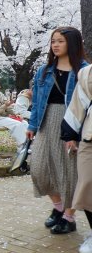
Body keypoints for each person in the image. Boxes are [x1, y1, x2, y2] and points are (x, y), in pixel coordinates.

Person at [27, 26, 88, 235]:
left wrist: (76, 133)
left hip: (72, 122)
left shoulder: (84, 70)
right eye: (53, 41)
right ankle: (59, 206)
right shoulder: (44, 71)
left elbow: (87, 105)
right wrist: (32, 125)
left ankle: (69, 217)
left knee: (71, 171)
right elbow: (36, 102)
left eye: (60, 41)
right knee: (39, 168)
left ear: (72, 43)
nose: (55, 45)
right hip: (46, 121)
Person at [61, 65, 92, 252]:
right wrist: (70, 133)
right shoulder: (87, 72)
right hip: (90, 135)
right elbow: (78, 102)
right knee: (87, 184)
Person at [0, 79, 28, 147]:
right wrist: (5, 105)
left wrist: (15, 114)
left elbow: (8, 106)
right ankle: (22, 145)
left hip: (4, 118)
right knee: (17, 124)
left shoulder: (0, 94)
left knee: (24, 123)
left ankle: (28, 143)